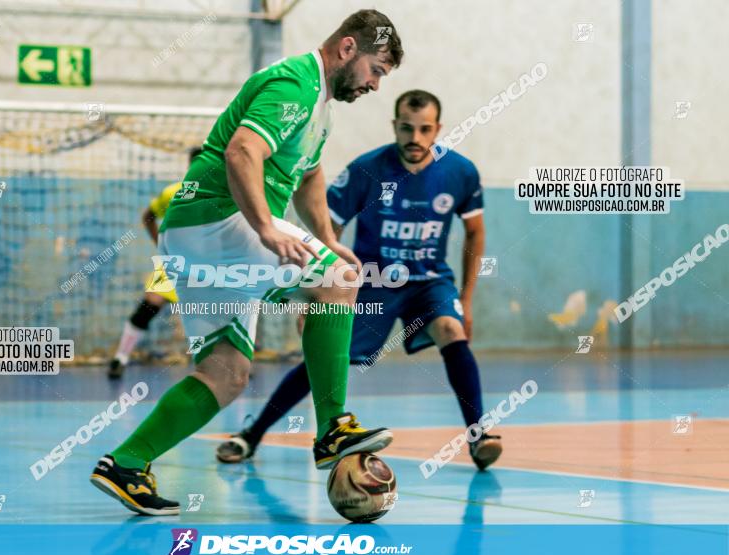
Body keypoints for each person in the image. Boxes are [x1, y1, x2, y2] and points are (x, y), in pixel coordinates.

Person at [90, 9, 404, 515]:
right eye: (376, 71)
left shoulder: (319, 105)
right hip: (221, 221)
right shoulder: (295, 82)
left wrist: (326, 235)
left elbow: (308, 174)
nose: (374, 84)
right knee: (340, 282)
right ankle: (332, 429)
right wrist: (263, 225)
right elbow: (242, 153)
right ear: (348, 48)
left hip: (195, 236)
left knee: (226, 373)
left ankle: (126, 463)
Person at [216, 89, 503, 471]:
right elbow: (326, 225)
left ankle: (478, 435)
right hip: (374, 283)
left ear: (438, 130)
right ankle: (251, 435)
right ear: (394, 126)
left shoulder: (460, 172)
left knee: (452, 330)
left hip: (430, 282)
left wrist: (466, 300)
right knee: (327, 356)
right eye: (406, 128)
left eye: (423, 130)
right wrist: (316, 293)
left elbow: (475, 233)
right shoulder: (367, 170)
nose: (414, 138)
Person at [107, 147, 203, 379]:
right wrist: (160, 244)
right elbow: (148, 216)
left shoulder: (224, 195)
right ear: (190, 166)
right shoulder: (173, 193)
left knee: (217, 313)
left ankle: (230, 365)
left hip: (208, 265)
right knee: (150, 305)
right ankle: (121, 357)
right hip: (175, 263)